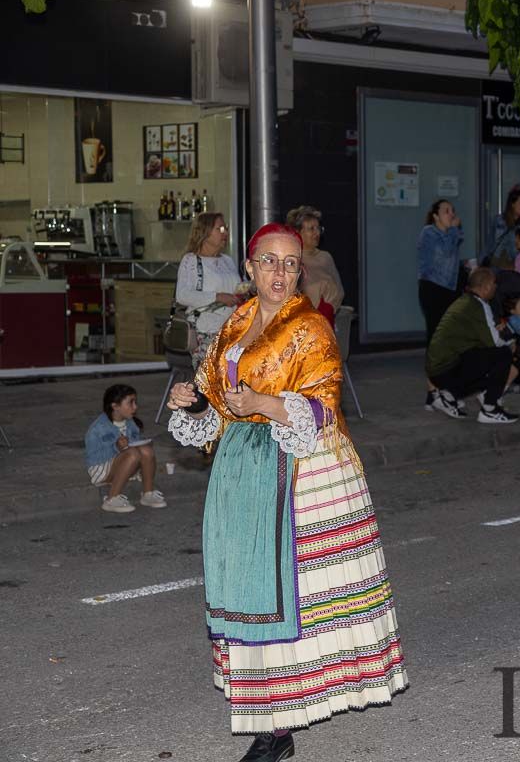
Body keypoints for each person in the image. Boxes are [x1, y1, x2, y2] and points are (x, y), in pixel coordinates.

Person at [165, 223, 407, 759]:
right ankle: (268, 713)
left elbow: (322, 406)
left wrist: (264, 405)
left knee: (282, 587)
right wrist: (194, 402)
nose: (280, 273)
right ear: (249, 269)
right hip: (240, 465)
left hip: (299, 465)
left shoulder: (311, 328)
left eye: (291, 263)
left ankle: (276, 726)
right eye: (269, 262)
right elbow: (216, 394)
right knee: (245, 583)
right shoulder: (236, 323)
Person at [425, 267, 520, 424]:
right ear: (487, 286)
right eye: (494, 284)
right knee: (503, 354)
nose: (496, 287)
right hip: (447, 369)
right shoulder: (479, 305)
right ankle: (490, 409)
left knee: (487, 360)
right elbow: (495, 342)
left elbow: (478, 337)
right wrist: (511, 344)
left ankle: (448, 394)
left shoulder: (464, 301)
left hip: (436, 371)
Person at [85, 384, 165, 513]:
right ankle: (112, 498)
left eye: (135, 402)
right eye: (130, 403)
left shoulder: (131, 423)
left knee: (146, 450)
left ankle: (148, 494)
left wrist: (141, 446)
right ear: (115, 406)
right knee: (132, 453)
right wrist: (117, 447)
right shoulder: (99, 428)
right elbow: (96, 457)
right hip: (101, 469)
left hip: (124, 464)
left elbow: (134, 446)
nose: (135, 407)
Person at [176, 212, 242, 370]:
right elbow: (182, 295)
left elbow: (236, 288)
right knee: (212, 382)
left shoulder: (227, 260)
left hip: (232, 331)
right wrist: (217, 297)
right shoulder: (191, 261)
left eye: (225, 228)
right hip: (206, 331)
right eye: (219, 228)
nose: (225, 232)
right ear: (205, 232)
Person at [418, 199, 466, 409]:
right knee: (435, 341)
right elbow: (444, 254)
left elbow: (451, 265)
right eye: (446, 211)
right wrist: (455, 231)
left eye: (452, 210)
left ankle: (446, 387)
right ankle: (432, 392)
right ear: (435, 216)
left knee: (450, 341)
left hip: (450, 291)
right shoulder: (429, 233)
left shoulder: (450, 235)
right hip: (433, 291)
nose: (451, 214)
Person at [286, 205, 344, 325]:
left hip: (325, 322)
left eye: (318, 228)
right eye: (311, 229)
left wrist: (327, 309)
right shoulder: (290, 258)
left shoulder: (325, 257)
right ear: (298, 232)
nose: (317, 233)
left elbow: (339, 292)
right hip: (298, 323)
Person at [488, 187, 520, 270]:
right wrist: (480, 262)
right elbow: (490, 243)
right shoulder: (498, 220)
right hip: (497, 265)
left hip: (517, 265)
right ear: (512, 204)